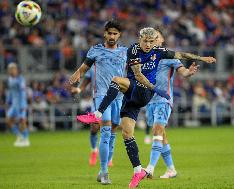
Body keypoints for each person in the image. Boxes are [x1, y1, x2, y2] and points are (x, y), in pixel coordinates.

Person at [69, 27, 216, 188]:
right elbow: (138, 75)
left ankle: (97, 114)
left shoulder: (159, 51)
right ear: (140, 39)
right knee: (126, 133)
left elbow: (181, 55)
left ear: (155, 42)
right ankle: (138, 170)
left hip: (143, 92)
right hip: (133, 95)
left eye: (151, 42)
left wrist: (201, 58)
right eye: (145, 41)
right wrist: (156, 89)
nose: (148, 44)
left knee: (117, 80)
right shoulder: (133, 49)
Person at [71, 20, 127, 184]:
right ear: (105, 33)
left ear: (119, 35)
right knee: (105, 131)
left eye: (115, 33)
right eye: (109, 33)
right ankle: (104, 172)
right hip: (102, 96)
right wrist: (77, 75)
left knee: (113, 131)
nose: (112, 36)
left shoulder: (125, 52)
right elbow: (84, 68)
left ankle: (103, 167)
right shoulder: (96, 50)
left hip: (119, 97)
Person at [145, 28, 199, 178]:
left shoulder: (170, 56)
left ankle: (150, 168)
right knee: (162, 136)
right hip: (150, 102)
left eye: (156, 36)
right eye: (151, 36)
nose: (153, 38)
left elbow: (183, 72)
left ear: (162, 40)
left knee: (156, 132)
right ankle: (171, 169)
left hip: (164, 100)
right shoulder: (146, 57)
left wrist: (190, 71)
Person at [6, 63, 29, 147]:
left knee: (22, 121)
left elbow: (23, 92)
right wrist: (8, 101)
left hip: (21, 103)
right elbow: (11, 92)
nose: (12, 70)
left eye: (13, 69)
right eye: (10, 69)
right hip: (14, 104)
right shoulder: (9, 79)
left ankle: (26, 139)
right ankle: (19, 136)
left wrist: (23, 105)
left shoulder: (20, 79)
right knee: (8, 120)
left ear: (16, 70)